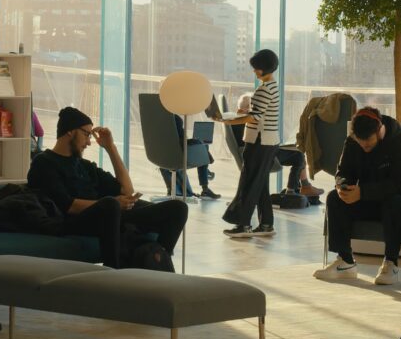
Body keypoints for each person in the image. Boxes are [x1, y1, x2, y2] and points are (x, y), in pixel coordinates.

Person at [28, 106, 188, 267]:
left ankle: (159, 257)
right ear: (70, 131)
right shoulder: (44, 162)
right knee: (110, 204)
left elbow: (127, 190)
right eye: (86, 134)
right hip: (73, 221)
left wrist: (110, 147)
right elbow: (68, 206)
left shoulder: (84, 166)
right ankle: (112, 269)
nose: (89, 142)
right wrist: (115, 204)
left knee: (178, 208)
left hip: (110, 214)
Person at [314, 107, 401, 285]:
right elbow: (343, 171)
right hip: (373, 199)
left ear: (379, 131)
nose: (364, 146)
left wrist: (363, 192)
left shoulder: (400, 142)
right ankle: (345, 261)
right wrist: (342, 186)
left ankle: (391, 262)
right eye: (360, 142)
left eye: (368, 141)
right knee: (334, 199)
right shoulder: (353, 141)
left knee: (394, 203)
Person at [219, 49, 281, 238]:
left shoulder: (263, 90)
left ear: (264, 68)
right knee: (260, 183)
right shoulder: (273, 86)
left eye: (256, 68)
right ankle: (266, 224)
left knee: (249, 182)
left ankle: (243, 224)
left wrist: (229, 120)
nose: (254, 71)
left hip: (259, 141)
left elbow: (254, 118)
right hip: (269, 141)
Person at [234, 92, 322, 197]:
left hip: (261, 153)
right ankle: (297, 188)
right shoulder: (249, 122)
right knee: (298, 155)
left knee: (298, 153)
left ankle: (302, 187)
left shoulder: (237, 122)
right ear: (242, 110)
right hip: (264, 155)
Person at [158, 113, 221, 200]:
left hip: (161, 154)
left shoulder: (155, 118)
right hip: (177, 154)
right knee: (203, 145)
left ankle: (207, 170)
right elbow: (180, 140)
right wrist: (198, 141)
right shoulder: (173, 118)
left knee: (201, 146)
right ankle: (205, 187)